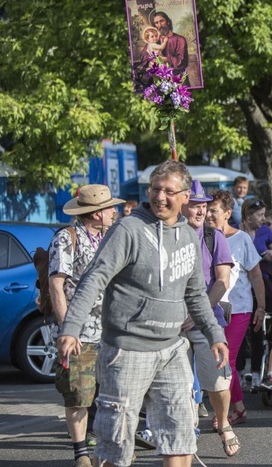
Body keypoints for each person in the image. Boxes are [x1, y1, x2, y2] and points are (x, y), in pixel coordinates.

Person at [57, 161, 228, 467]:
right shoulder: (128, 230)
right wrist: (70, 327)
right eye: (155, 190)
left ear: (185, 197)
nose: (160, 197)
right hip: (126, 351)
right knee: (116, 445)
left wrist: (215, 334)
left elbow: (195, 295)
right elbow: (94, 278)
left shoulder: (188, 237)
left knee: (179, 437)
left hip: (171, 348)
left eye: (169, 191)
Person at [49, 185, 123, 467]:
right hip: (80, 332)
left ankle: (105, 445)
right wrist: (69, 329)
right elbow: (57, 285)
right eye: (109, 208)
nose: (114, 212)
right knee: (78, 393)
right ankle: (80, 451)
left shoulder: (109, 237)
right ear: (94, 214)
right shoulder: (66, 239)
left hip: (110, 330)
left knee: (110, 393)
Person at [179, 181, 240, 457]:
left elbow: (222, 281)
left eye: (204, 205)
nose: (201, 210)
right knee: (178, 384)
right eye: (195, 204)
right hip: (173, 322)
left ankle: (224, 423)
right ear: (182, 204)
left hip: (205, 319)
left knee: (218, 383)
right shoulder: (168, 235)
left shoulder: (215, 237)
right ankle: (186, 433)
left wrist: (198, 313)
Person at [206, 189, 267, 426]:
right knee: (217, 359)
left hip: (238, 308)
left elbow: (256, 276)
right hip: (211, 307)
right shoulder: (202, 236)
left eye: (214, 211)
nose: (209, 214)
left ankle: (222, 416)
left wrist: (261, 307)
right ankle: (239, 408)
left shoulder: (241, 239)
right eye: (206, 209)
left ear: (228, 213)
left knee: (226, 361)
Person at [240, 198, 272, 388]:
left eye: (264, 215)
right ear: (248, 215)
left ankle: (257, 371)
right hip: (240, 283)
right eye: (260, 215)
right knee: (240, 328)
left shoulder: (265, 231)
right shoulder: (236, 231)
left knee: (259, 327)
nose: (263, 219)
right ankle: (239, 370)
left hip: (261, 280)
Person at [152, 11, 189, 79]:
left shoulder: (180, 39)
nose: (159, 25)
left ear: (168, 21)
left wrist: (166, 59)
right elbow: (144, 55)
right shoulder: (154, 41)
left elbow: (182, 61)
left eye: (162, 21)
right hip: (161, 79)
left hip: (178, 78)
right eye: (156, 23)